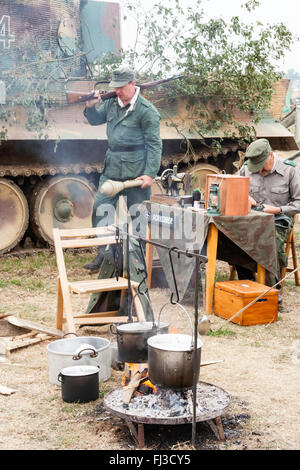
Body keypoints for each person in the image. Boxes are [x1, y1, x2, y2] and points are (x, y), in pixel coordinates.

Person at [82, 65, 162, 271]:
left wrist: (150, 174)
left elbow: (154, 144)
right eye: (114, 87)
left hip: (137, 173)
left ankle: (139, 261)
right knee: (100, 209)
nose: (117, 91)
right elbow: (94, 120)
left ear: (132, 84)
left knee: (138, 217)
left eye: (121, 87)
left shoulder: (146, 111)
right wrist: (90, 106)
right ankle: (104, 254)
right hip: (112, 169)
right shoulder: (111, 103)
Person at [235, 138, 300, 300]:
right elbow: (231, 186)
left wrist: (278, 209)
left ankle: (272, 291)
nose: (258, 171)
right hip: (251, 217)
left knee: (269, 239)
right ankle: (247, 280)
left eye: (261, 165)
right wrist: (245, 196)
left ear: (271, 155)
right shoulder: (246, 169)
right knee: (232, 234)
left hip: (278, 219)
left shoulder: (290, 170)